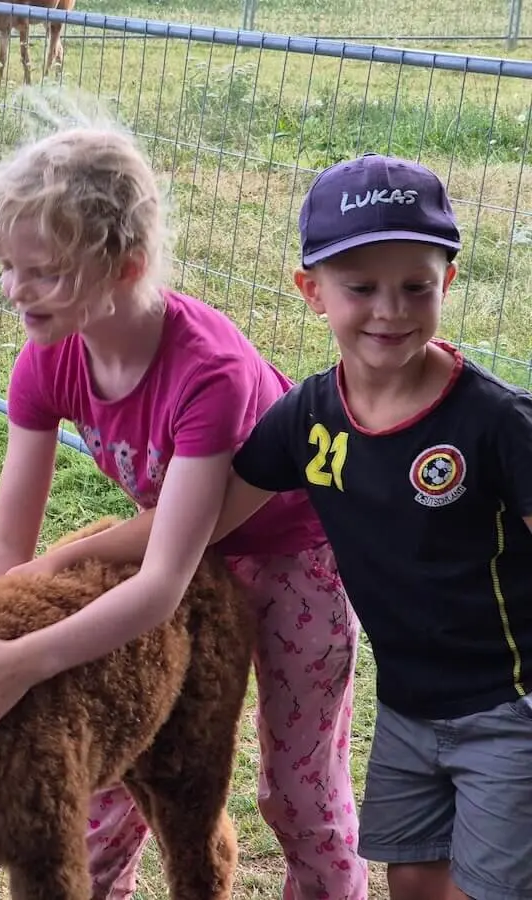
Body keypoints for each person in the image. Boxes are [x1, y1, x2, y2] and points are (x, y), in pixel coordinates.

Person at [0, 90, 368, 900]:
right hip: (178, 535)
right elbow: (7, 544)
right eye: (9, 266)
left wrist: (23, 660)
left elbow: (159, 584)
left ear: (125, 266)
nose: (13, 289)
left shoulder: (209, 372)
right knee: (114, 761)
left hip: (291, 555)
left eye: (43, 272)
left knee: (298, 792)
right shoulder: (47, 358)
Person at [163, 152, 532, 900]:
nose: (390, 310)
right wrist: (63, 565)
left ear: (447, 283)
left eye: (415, 286)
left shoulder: (499, 422)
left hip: (507, 713)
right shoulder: (309, 416)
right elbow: (198, 521)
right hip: (406, 710)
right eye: (361, 287)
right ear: (312, 291)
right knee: (414, 881)